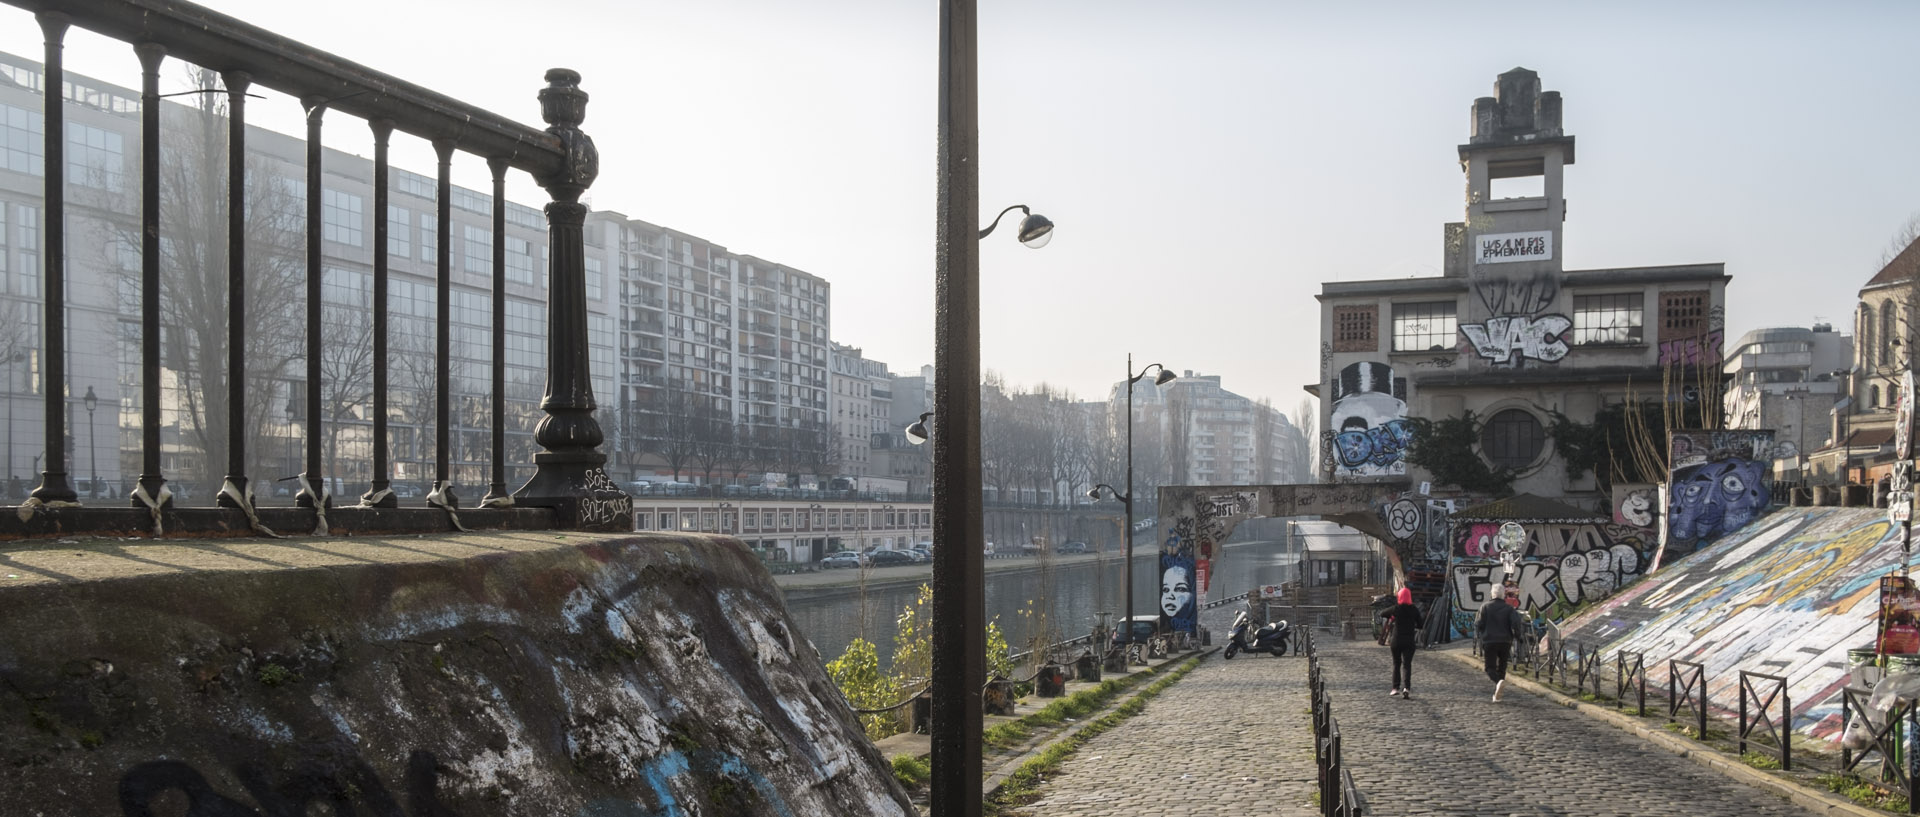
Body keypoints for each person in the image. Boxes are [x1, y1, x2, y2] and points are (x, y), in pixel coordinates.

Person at [1476, 586, 1525, 702]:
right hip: (1505, 641)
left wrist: (1481, 636)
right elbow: (1516, 624)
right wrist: (1518, 637)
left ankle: (1498, 683)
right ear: (1503, 595)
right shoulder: (1509, 609)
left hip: (1490, 640)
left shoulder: (1485, 607)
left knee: (1489, 668)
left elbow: (1479, 624)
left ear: (1492, 594)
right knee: (1502, 667)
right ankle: (1498, 691)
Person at [1385, 587, 1424, 699]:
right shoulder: (1414, 609)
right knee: (1407, 665)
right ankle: (1406, 688)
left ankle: (1395, 688)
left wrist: (1392, 616)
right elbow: (1421, 624)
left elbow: (1383, 613)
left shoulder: (1396, 608)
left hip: (1396, 641)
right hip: (1409, 641)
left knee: (1396, 664)